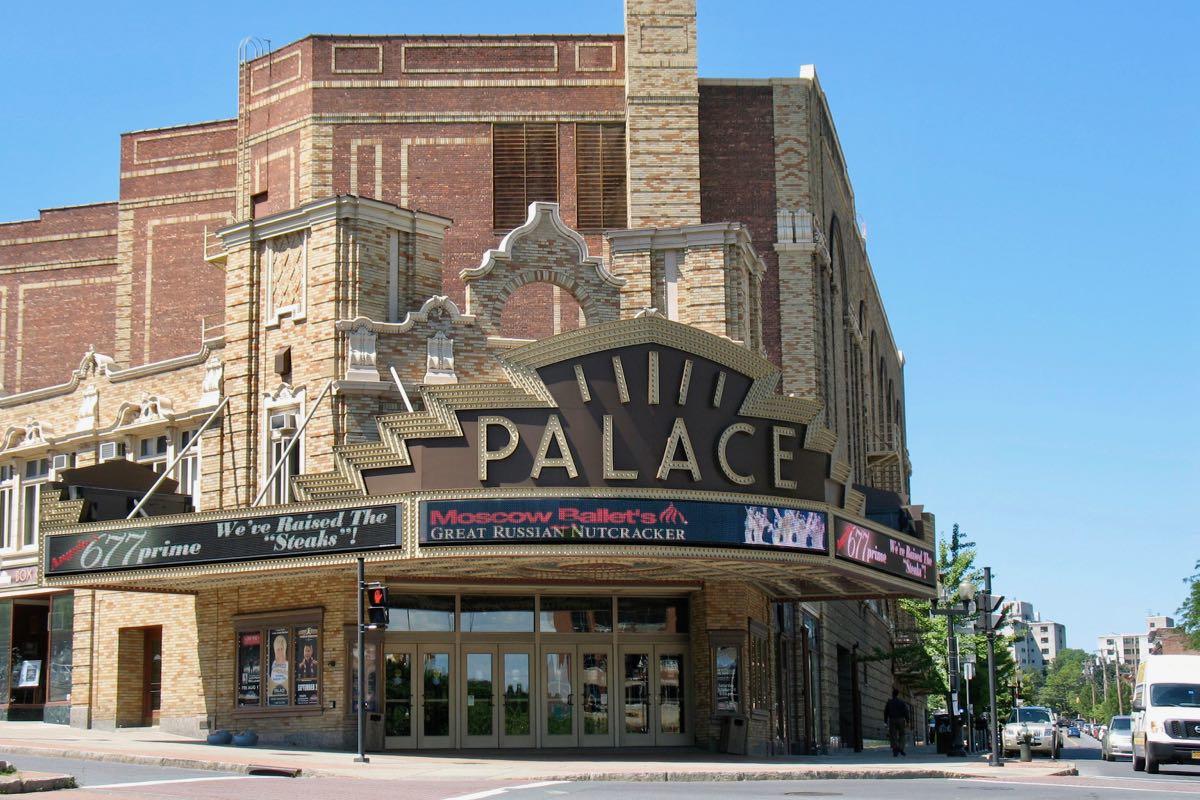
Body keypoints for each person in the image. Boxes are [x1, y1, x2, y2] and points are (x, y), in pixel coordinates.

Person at [884, 688, 909, 756]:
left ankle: (895, 748)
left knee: (893, 735)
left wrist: (885, 721)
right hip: (901, 719)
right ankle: (901, 747)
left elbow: (886, 712)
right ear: (898, 694)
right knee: (902, 734)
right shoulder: (902, 702)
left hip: (892, 719)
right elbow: (906, 712)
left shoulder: (889, 702)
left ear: (892, 694)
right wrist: (907, 721)